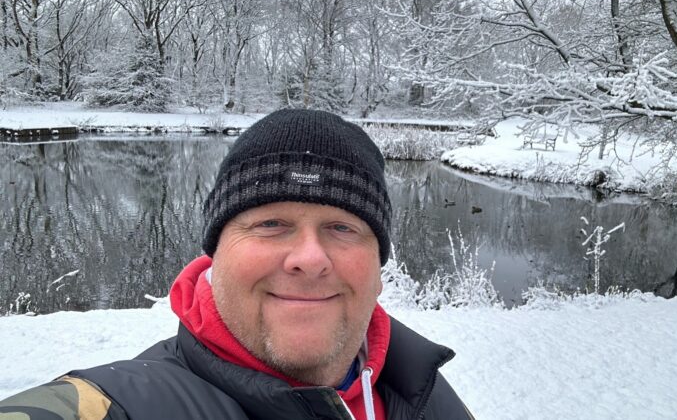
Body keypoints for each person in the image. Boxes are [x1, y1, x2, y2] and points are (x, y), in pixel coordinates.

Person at [0, 109, 473, 420]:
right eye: (271, 223)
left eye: (343, 228)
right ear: (214, 256)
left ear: (378, 268)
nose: (309, 259)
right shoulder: (117, 406)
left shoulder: (424, 393)